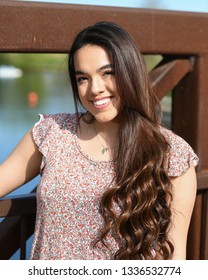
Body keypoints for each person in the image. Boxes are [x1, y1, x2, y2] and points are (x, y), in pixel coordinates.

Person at [0, 22, 198, 260]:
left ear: (130, 71)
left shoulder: (173, 155)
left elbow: (176, 260)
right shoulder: (52, 133)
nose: (94, 89)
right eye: (83, 78)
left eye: (107, 73)